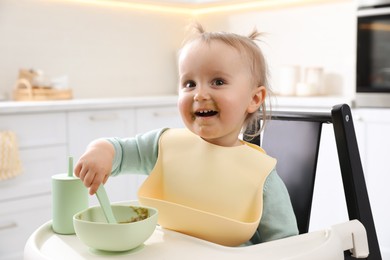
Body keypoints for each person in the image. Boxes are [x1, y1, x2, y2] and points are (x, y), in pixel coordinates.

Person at [74, 23, 298, 246]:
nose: (199, 94)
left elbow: (287, 247)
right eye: (189, 83)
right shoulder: (163, 146)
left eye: (218, 82)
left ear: (254, 99)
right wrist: (101, 151)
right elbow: (120, 152)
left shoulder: (262, 176)